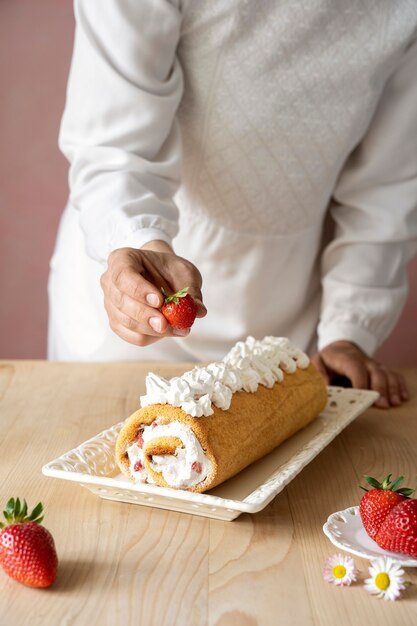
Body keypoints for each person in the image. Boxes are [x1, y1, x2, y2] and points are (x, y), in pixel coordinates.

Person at [48, 0, 417, 410]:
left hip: (290, 318)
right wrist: (142, 242)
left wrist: (350, 327)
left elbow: (388, 185)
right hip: (131, 303)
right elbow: (113, 142)